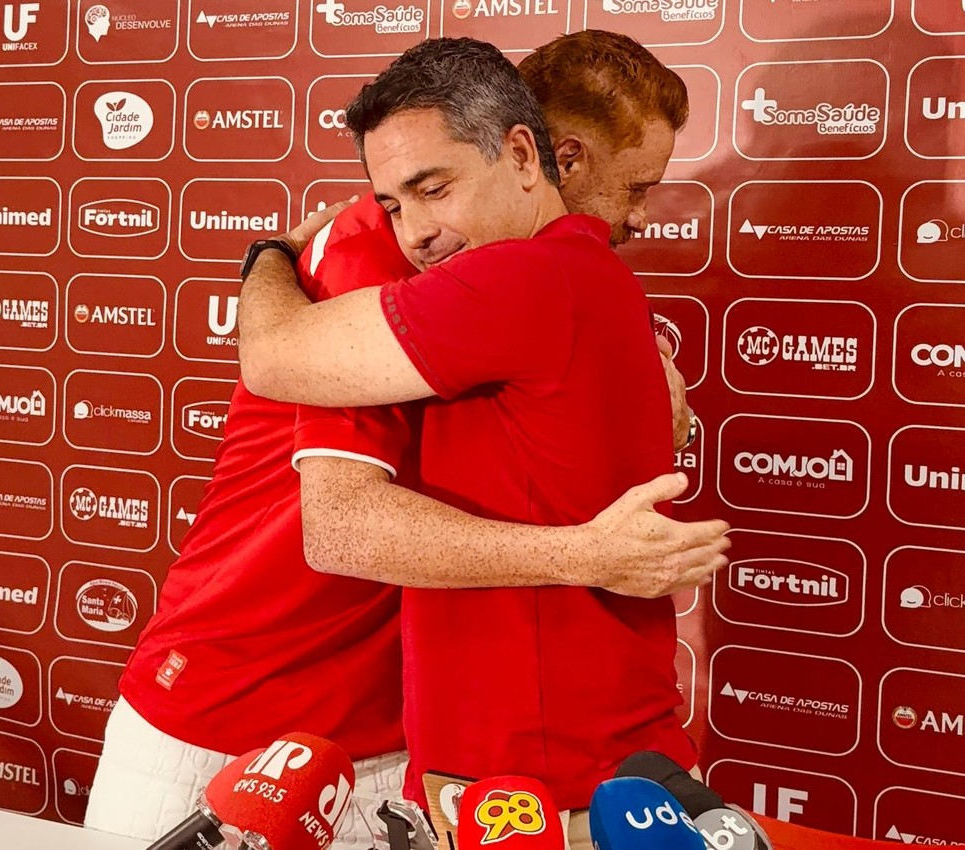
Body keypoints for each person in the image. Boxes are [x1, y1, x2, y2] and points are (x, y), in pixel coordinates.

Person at [85, 31, 729, 843]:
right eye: (637, 188)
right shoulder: (379, 257)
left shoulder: (550, 274)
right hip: (232, 709)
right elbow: (336, 508)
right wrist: (269, 257)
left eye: (434, 189)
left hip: (403, 741)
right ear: (548, 155)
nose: (636, 219)